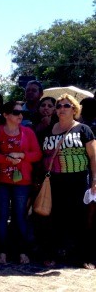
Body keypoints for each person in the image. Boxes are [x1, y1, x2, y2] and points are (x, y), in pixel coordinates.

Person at [39, 94, 96, 269]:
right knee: (54, 218)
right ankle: (53, 253)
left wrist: (95, 179)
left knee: (80, 218)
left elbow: (94, 156)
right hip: (54, 180)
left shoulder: (84, 129)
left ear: (74, 109)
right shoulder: (48, 130)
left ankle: (84, 256)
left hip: (78, 179)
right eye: (58, 106)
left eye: (66, 105)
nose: (61, 109)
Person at [0, 101, 42, 264]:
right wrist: (6, 159)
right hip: (1, 180)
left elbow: (37, 154)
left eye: (21, 113)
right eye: (16, 113)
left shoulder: (28, 132)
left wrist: (22, 156)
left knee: (20, 217)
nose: (20, 116)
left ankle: (23, 251)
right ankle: (1, 250)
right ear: (6, 115)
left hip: (22, 181)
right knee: (2, 216)